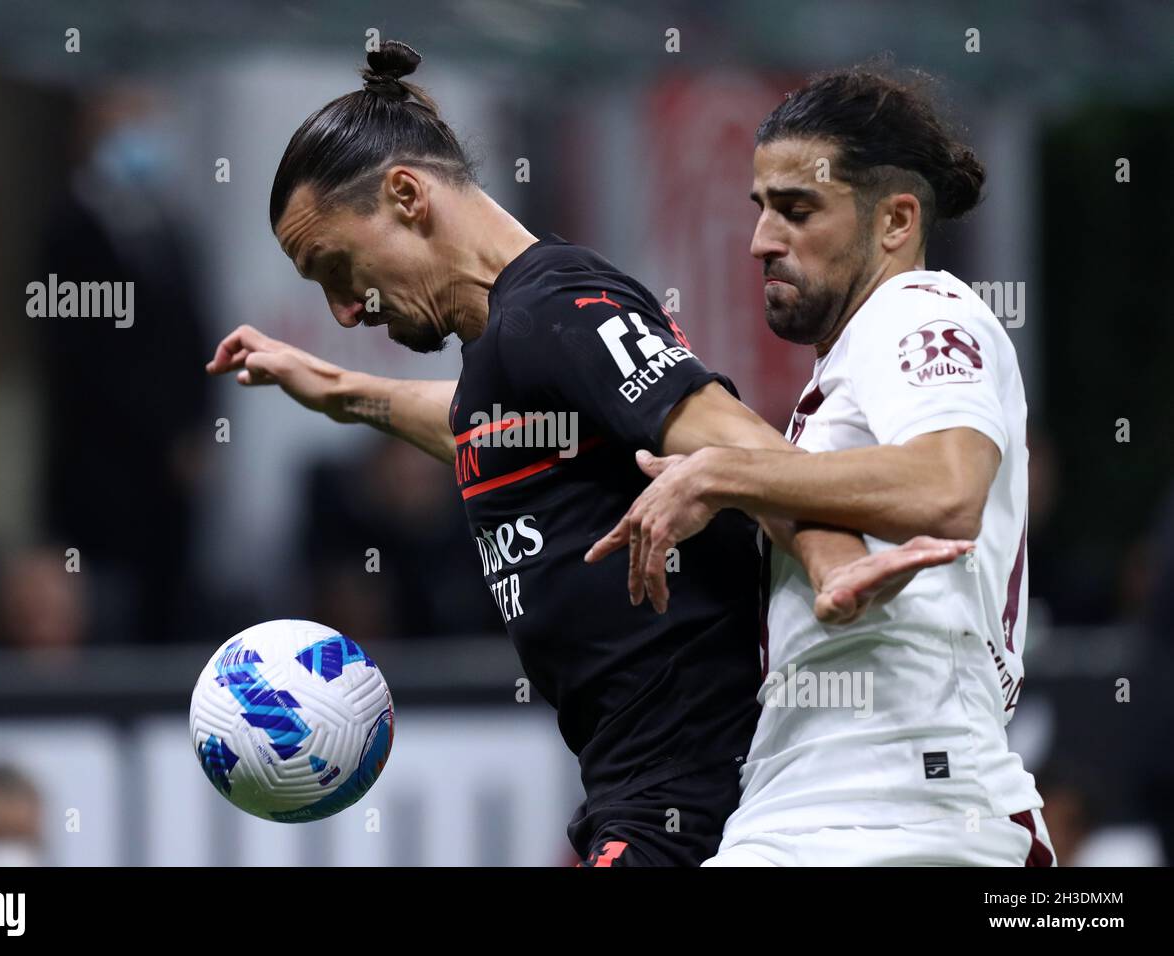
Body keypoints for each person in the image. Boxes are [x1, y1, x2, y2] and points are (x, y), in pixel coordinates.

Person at [208, 42, 964, 866]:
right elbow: (485, 429)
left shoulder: (555, 310)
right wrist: (336, 388)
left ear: (405, 195)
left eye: (337, 269)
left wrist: (832, 560)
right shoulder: (512, 342)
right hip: (638, 797)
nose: (346, 310)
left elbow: (733, 441)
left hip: (694, 798)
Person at [587, 67, 1051, 866]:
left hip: (903, 807)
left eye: (797, 210)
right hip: (823, 803)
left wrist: (720, 474)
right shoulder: (849, 371)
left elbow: (947, 488)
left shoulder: (920, 313)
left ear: (897, 220)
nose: (763, 240)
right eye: (761, 209)